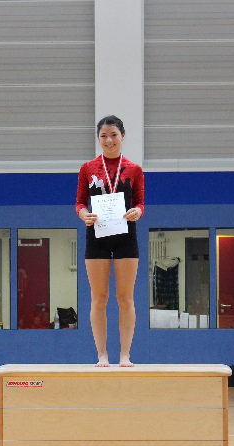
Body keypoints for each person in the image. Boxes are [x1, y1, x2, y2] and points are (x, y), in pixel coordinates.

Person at [76, 115, 144, 367]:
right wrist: (84, 214)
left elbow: (140, 202)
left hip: (126, 235)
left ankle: (125, 354)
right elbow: (79, 203)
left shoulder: (134, 169)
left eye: (113, 135)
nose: (109, 140)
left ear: (122, 136)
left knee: (125, 298)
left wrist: (138, 211)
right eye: (103, 136)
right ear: (98, 139)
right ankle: (102, 354)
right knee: (99, 298)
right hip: (97, 234)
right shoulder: (88, 168)